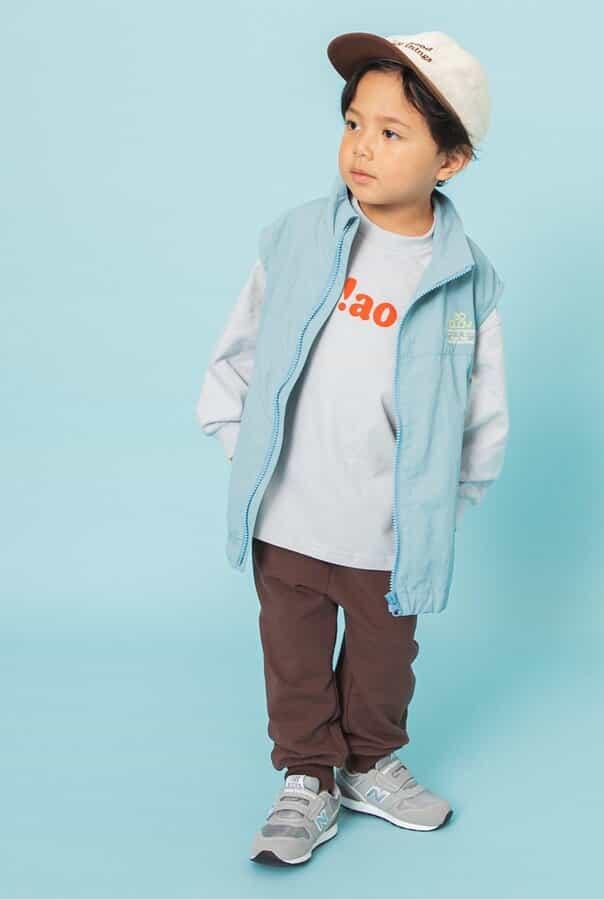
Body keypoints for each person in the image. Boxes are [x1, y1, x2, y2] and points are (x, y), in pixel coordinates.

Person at [196, 30, 509, 866]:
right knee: (294, 658)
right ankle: (307, 778)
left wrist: (441, 505)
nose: (362, 147)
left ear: (451, 161)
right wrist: (244, 452)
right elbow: (238, 351)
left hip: (390, 529)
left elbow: (483, 411)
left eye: (392, 132)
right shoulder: (298, 237)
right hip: (290, 515)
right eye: (353, 123)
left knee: (384, 662)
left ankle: (369, 763)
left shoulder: (465, 280)